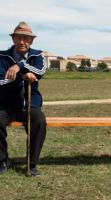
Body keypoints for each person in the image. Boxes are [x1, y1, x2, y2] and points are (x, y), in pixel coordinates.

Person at [0, 21, 47, 176]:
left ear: (31, 41)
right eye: (19, 37)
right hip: (7, 104)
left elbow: (40, 70)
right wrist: (22, 76)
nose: (22, 41)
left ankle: (31, 164)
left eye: (26, 38)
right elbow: (1, 81)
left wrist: (19, 66)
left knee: (39, 120)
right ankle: (3, 161)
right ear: (13, 39)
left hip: (30, 104)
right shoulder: (2, 56)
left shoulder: (38, 55)